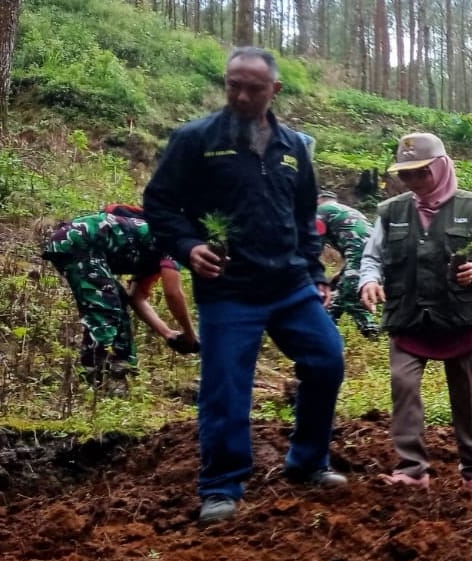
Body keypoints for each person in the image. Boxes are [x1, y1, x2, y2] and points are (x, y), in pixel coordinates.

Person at [143, 47, 346, 523]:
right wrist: (189, 246)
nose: (241, 94)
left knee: (327, 358)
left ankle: (308, 461)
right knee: (226, 387)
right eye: (233, 84)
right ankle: (221, 486)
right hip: (229, 289)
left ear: (274, 90)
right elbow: (159, 204)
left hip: (289, 284)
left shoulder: (294, 147)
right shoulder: (196, 139)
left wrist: (314, 274)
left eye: (253, 87)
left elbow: (303, 216)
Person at [359, 131, 472, 497]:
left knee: (467, 398)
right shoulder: (392, 212)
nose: (413, 181)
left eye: (420, 173)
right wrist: (369, 280)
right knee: (404, 387)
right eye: (406, 175)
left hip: (459, 319)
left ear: (440, 168)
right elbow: (371, 257)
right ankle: (412, 469)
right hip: (409, 319)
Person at [42, 204, 199, 386]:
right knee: (105, 307)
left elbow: (136, 298)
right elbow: (173, 294)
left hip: (83, 245)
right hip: (81, 240)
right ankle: (96, 375)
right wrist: (189, 333)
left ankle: (121, 367)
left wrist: (168, 333)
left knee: (119, 299)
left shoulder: (154, 256)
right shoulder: (175, 243)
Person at [315, 190, 379, 339]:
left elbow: (314, 244)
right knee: (344, 289)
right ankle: (370, 331)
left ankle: (324, 332)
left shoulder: (320, 211)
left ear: (319, 201)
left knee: (346, 296)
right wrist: (340, 274)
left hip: (359, 253)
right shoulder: (348, 211)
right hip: (372, 254)